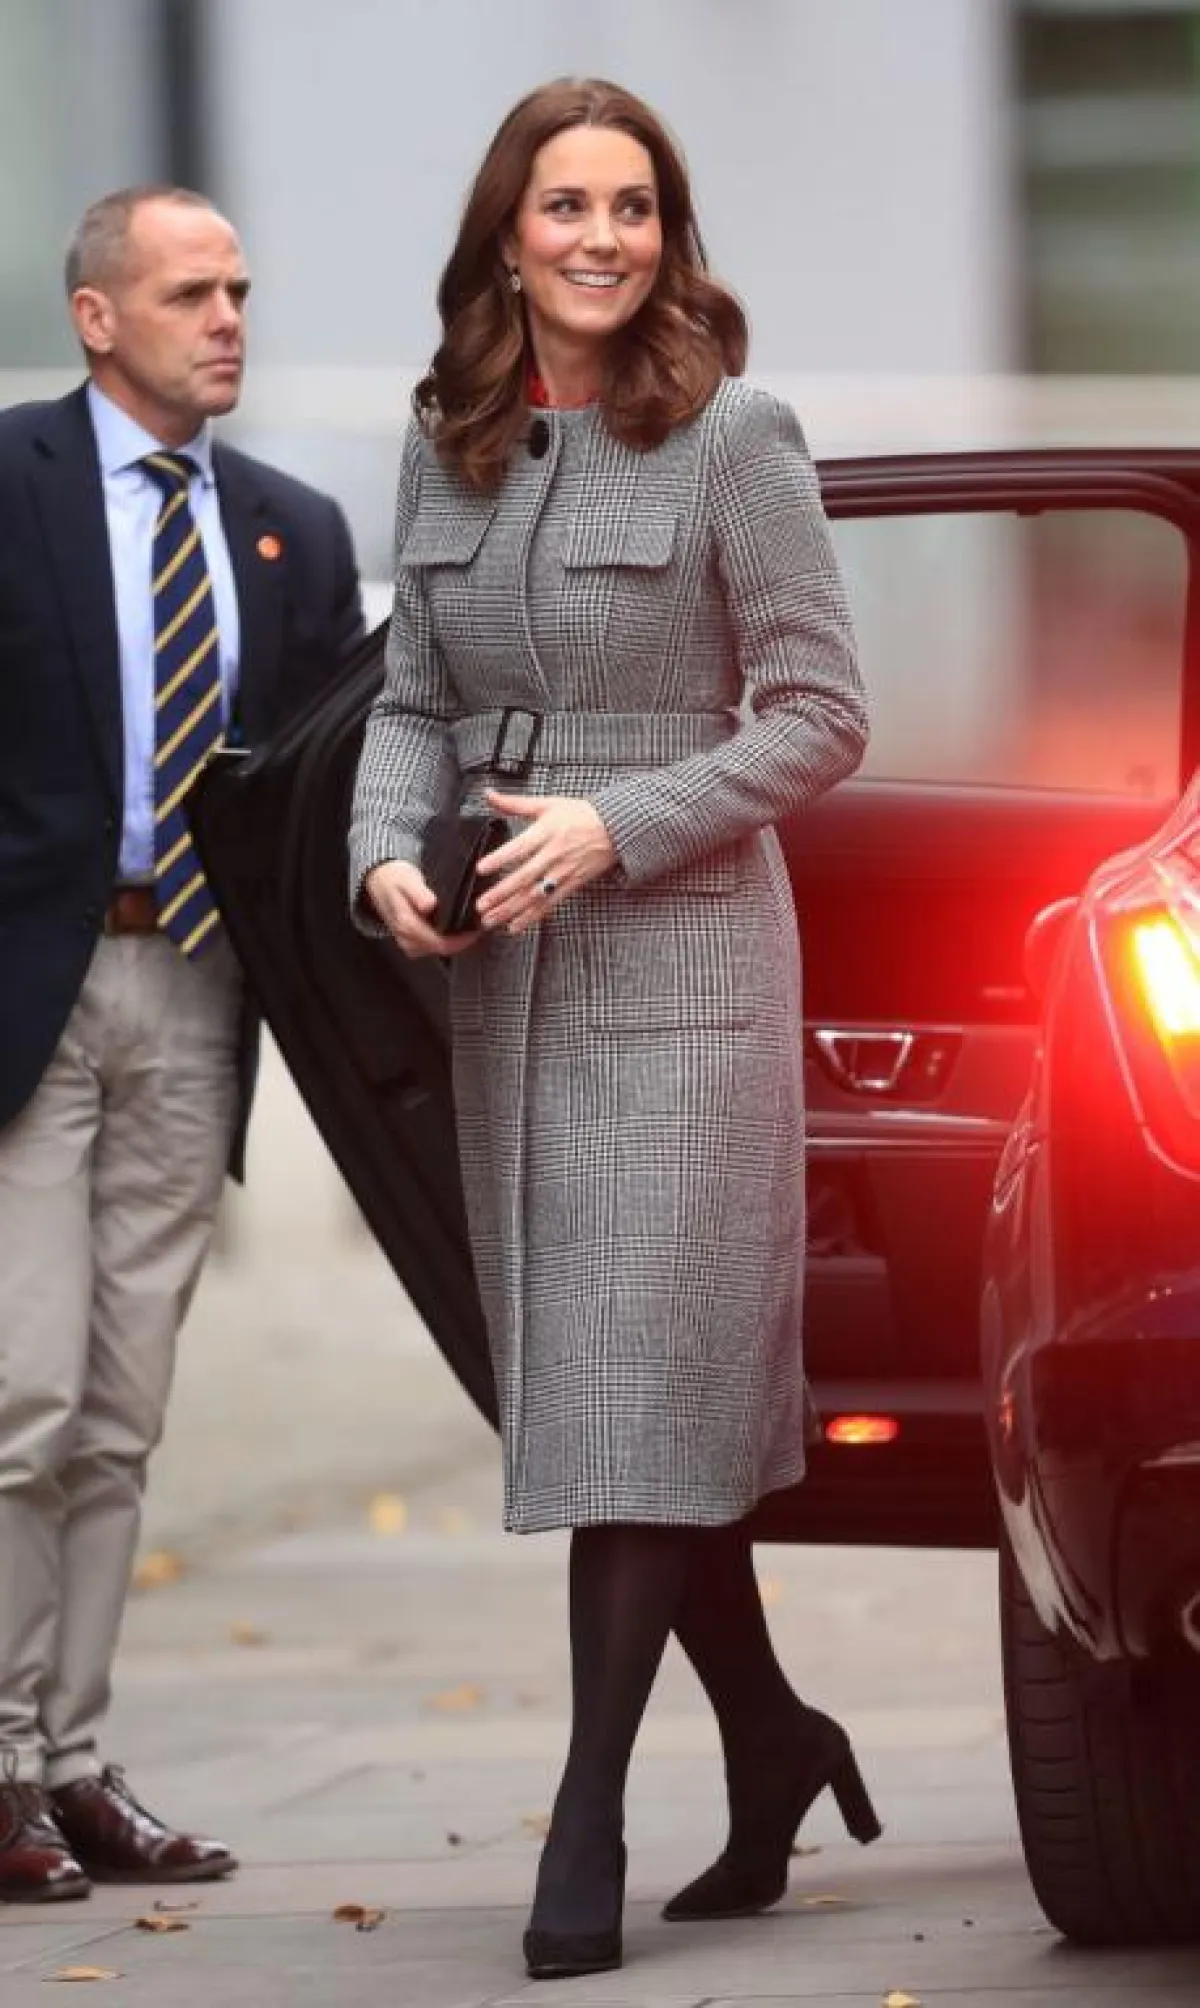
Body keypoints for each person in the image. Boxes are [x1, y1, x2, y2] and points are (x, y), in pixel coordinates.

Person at [349, 78, 874, 1981]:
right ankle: (778, 1737)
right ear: (508, 236)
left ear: (669, 234)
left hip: (690, 967)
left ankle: (586, 1822)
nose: (602, 238)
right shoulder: (448, 442)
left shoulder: (738, 435)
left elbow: (822, 715)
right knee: (612, 1401)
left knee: (638, 1382)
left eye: (634, 207)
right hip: (510, 975)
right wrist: (376, 857)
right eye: (567, 205)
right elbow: (410, 701)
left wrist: (618, 823)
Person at [0, 186, 363, 1902]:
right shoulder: (7, 485)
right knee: (23, 1397)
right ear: (97, 317)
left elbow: (328, 780)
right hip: (34, 995)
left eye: (238, 290)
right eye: (189, 293)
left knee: (122, 1419)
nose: (228, 320)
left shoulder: (291, 529)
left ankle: (68, 1768)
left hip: (203, 997)